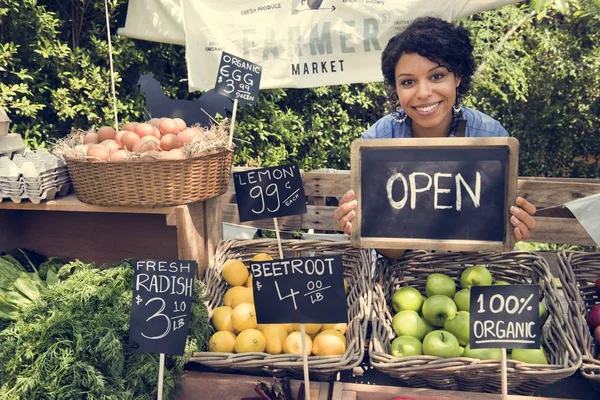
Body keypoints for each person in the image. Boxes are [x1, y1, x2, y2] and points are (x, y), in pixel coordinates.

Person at [333, 16, 537, 258]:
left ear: (458, 77)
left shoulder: (491, 138)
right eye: (408, 82)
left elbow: (489, 236)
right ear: (396, 89)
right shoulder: (376, 142)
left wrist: (514, 226)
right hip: (402, 278)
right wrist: (361, 224)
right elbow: (392, 252)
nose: (423, 93)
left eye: (437, 76)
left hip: (472, 272)